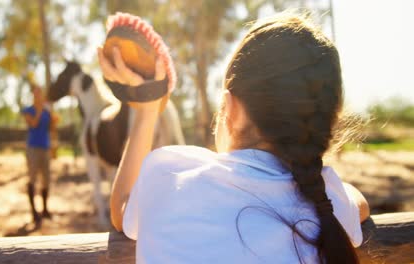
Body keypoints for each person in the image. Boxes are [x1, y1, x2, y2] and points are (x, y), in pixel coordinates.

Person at [98, 14, 370, 264]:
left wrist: (146, 111)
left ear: (233, 109)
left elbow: (122, 207)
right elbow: (360, 204)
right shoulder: (329, 201)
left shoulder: (170, 172)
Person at [22, 84, 55, 224]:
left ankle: (45, 209)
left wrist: (53, 120)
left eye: (40, 93)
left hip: (45, 147)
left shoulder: (47, 112)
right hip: (33, 149)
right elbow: (33, 124)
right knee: (32, 178)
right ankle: (33, 211)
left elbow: (51, 128)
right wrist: (41, 110)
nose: (38, 96)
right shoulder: (28, 110)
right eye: (36, 93)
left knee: (46, 179)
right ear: (33, 95)